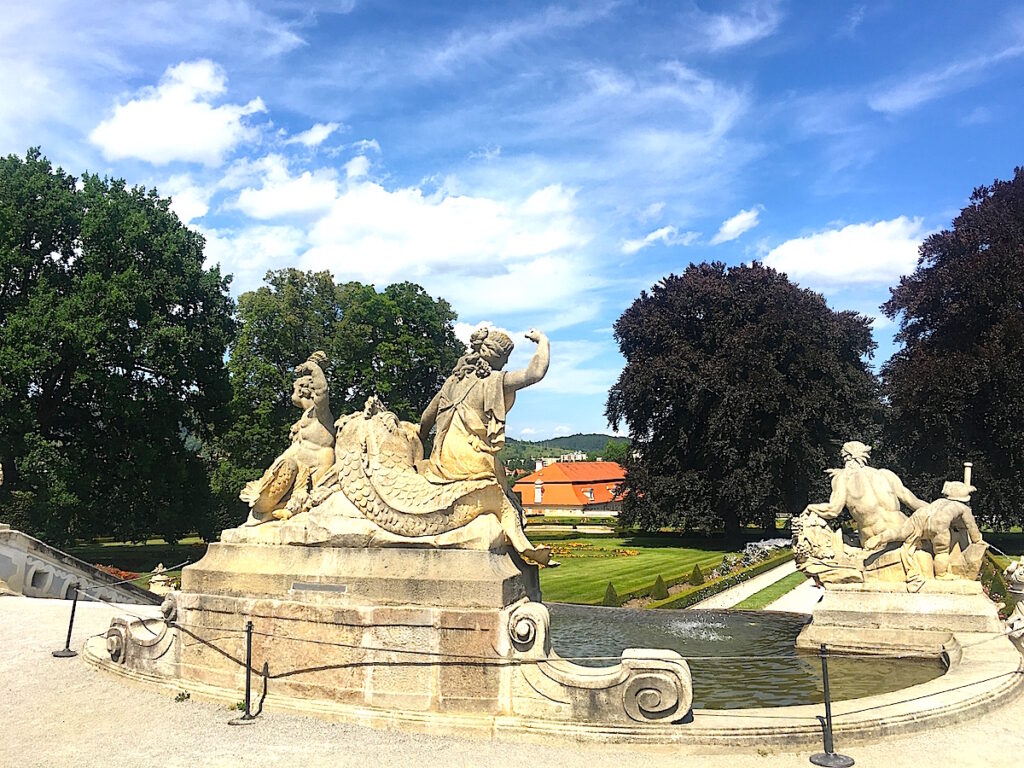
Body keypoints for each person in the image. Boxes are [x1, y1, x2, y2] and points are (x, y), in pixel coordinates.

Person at [419, 326, 552, 564]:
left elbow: (426, 419)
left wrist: (419, 446)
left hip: (442, 461)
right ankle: (519, 539)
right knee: (503, 488)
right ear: (501, 360)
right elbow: (536, 372)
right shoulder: (496, 381)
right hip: (473, 462)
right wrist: (543, 340)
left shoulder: (452, 382)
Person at [804, 440, 927, 550]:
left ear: (846, 457)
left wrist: (811, 507)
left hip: (876, 541)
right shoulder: (885, 474)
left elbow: (832, 510)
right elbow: (913, 502)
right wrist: (937, 509)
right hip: (903, 531)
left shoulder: (843, 479)